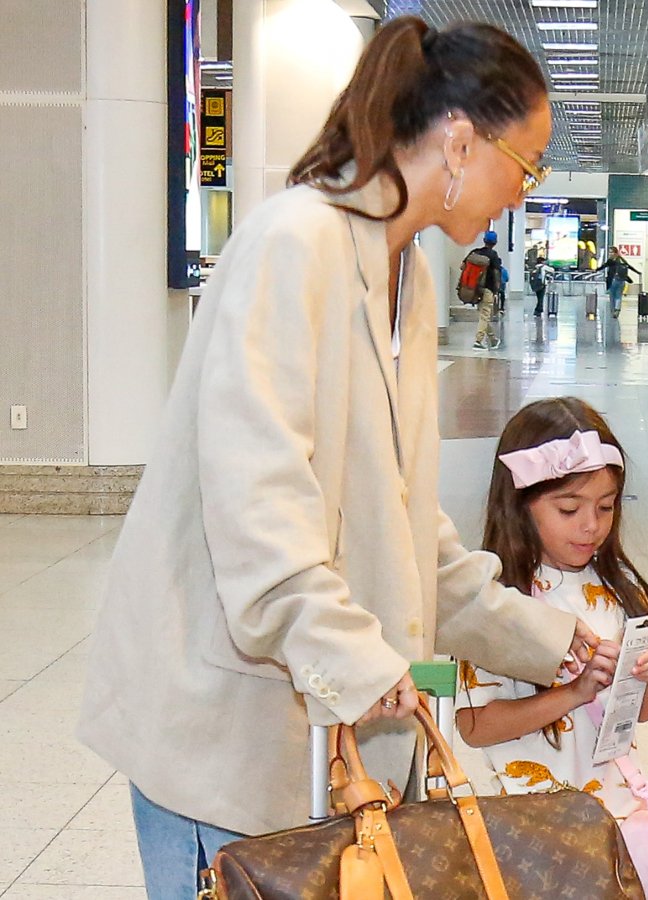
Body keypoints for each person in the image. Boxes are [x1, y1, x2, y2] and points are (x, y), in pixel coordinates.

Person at [74, 17, 601, 898]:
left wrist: (551, 643)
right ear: (462, 142)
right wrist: (361, 661)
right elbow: (258, 508)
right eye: (530, 164)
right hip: (228, 735)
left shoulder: (409, 275)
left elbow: (401, 518)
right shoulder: (296, 243)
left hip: (321, 743)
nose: (525, 192)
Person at [455, 396, 648, 835]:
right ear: (520, 504)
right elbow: (475, 725)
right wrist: (574, 692)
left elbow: (638, 714)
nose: (591, 526)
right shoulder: (499, 603)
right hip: (529, 829)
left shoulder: (619, 590)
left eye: (607, 506)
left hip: (617, 818)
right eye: (569, 509)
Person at [470, 229, 504, 349]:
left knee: (483, 315)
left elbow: (462, 266)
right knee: (485, 315)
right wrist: (497, 289)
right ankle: (478, 341)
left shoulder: (475, 252)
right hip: (488, 289)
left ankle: (493, 339)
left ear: (484, 240)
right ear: (495, 243)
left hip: (474, 289)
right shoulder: (493, 255)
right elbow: (497, 273)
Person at [598, 245, 640, 317]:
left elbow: (603, 266)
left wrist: (596, 270)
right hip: (622, 280)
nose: (610, 254)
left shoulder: (611, 261)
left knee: (612, 296)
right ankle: (617, 309)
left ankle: (613, 310)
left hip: (613, 280)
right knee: (618, 296)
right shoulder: (622, 259)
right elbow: (629, 266)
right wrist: (637, 272)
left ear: (615, 253)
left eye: (611, 252)